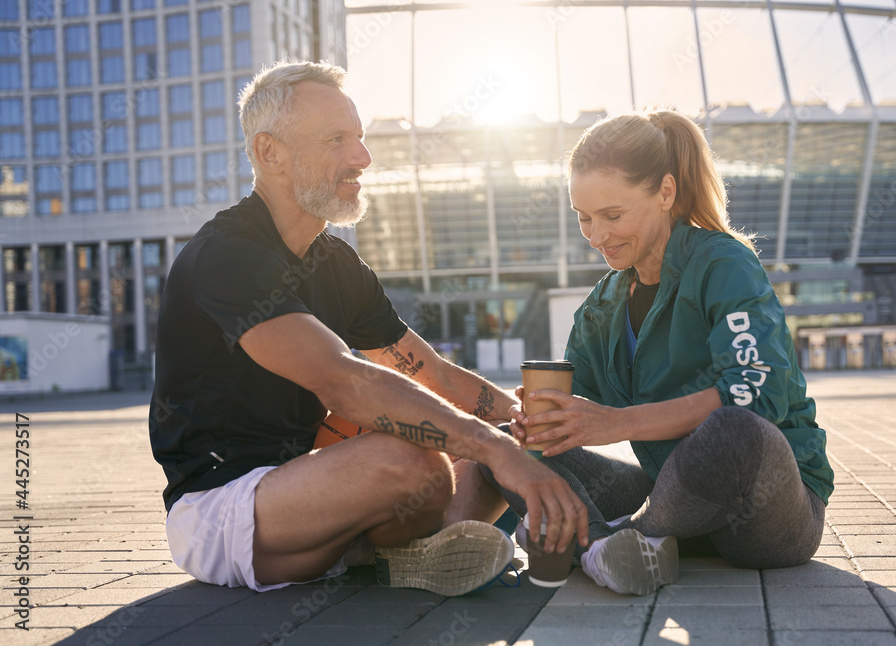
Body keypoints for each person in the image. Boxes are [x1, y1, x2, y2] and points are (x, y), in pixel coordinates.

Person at [148, 60, 587, 596]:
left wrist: (525, 426)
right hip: (219, 506)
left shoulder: (336, 264)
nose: (362, 158)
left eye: (359, 138)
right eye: (336, 139)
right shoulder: (227, 255)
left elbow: (435, 377)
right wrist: (496, 451)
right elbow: (345, 383)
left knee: (494, 444)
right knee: (417, 462)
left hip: (316, 489)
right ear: (270, 152)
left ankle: (403, 558)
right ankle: (396, 550)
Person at [481, 110, 835, 595]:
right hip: (674, 501)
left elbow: (758, 395)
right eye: (584, 218)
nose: (597, 236)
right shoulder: (604, 305)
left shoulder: (723, 264)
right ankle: (608, 548)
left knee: (733, 430)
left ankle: (601, 542)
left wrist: (617, 423)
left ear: (665, 193)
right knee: (501, 446)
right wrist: (538, 423)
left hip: (764, 510)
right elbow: (567, 415)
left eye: (613, 216)